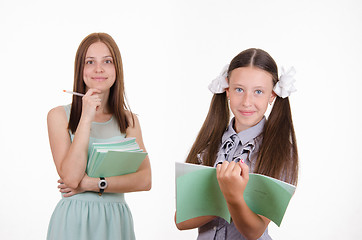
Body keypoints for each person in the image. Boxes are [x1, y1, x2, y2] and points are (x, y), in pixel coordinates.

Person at [175, 48, 298, 240]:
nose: (247, 102)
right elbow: (181, 221)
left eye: (258, 92)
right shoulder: (209, 144)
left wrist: (232, 196)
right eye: (239, 89)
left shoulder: (280, 152)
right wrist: (227, 194)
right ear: (227, 90)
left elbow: (254, 231)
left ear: (272, 95)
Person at [47, 32, 151, 240]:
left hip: (116, 221)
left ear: (117, 68)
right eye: (90, 61)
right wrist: (86, 117)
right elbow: (71, 177)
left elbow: (145, 180)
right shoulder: (59, 116)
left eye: (107, 61)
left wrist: (93, 184)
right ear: (80, 69)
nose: (99, 69)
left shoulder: (129, 121)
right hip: (73, 222)